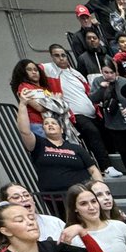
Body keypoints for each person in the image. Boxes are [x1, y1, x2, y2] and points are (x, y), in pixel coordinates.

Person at [41, 44, 115, 175]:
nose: (61, 58)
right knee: (92, 133)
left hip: (92, 112)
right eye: (56, 56)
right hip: (75, 114)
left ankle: (108, 165)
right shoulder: (49, 69)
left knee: (106, 134)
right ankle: (106, 168)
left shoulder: (76, 74)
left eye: (63, 55)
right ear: (51, 57)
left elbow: (88, 94)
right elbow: (29, 69)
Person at [15, 92, 101, 196]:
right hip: (53, 198)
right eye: (46, 124)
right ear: (43, 129)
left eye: (53, 123)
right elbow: (24, 131)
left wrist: (100, 190)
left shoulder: (76, 148)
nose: (50, 125)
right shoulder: (39, 145)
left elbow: (93, 170)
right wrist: (23, 104)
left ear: (61, 130)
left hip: (81, 195)